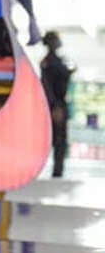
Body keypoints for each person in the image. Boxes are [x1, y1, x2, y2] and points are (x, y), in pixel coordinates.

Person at [40, 31, 74, 177]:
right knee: (55, 138)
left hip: (60, 102)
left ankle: (58, 170)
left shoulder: (60, 61)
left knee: (61, 139)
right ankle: (55, 170)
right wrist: (54, 106)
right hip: (55, 104)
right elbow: (47, 86)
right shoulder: (48, 62)